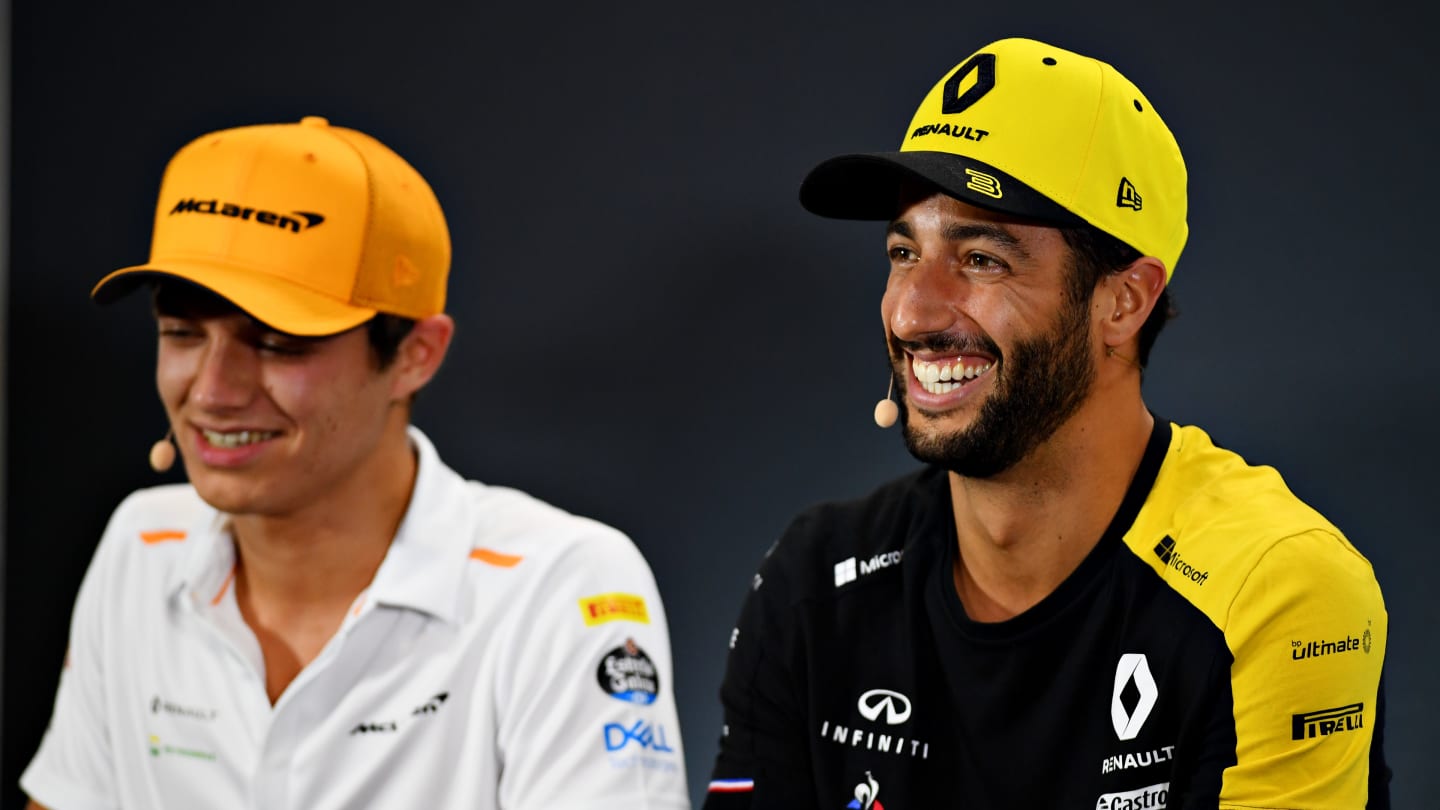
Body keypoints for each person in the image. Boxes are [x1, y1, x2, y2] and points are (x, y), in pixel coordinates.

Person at [703, 37, 1388, 808]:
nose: (911, 310)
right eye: (903, 251)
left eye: (982, 259)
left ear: (1123, 300)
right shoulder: (815, 579)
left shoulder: (1272, 591)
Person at [21, 116, 689, 809]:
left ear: (415, 354)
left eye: (278, 343)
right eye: (181, 333)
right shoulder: (141, 543)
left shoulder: (559, 586)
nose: (214, 391)